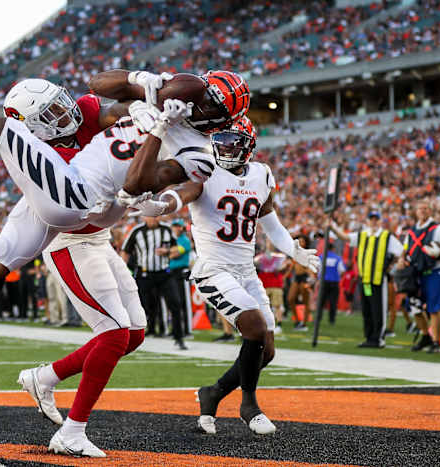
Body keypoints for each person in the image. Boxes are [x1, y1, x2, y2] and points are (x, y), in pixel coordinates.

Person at [0, 52, 247, 457]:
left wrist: (157, 127)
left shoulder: (196, 150)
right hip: (63, 204)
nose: (199, 105)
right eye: (204, 96)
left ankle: (45, 378)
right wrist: (148, 84)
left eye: (210, 106)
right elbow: (103, 89)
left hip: (81, 205)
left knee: (131, 334)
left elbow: (140, 181)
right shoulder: (157, 103)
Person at [120, 115, 319, 436]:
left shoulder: (261, 175)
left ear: (249, 146)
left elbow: (269, 220)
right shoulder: (207, 170)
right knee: (253, 326)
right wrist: (160, 206)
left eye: (233, 142)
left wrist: (293, 250)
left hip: (246, 271)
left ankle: (212, 393)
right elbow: (183, 194)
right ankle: (249, 406)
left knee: (266, 350)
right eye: (221, 141)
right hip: (213, 269)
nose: (225, 147)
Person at [331, 211, 403, 348]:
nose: (374, 222)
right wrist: (333, 227)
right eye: (372, 219)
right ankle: (369, 337)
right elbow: (346, 238)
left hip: (378, 280)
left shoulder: (386, 236)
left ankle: (379, 339)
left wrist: (392, 266)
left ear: (380, 221)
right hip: (365, 280)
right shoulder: (362, 235)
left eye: (376, 219)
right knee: (367, 308)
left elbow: (401, 252)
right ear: (368, 221)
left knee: (378, 309)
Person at [121, 216, 187, 349]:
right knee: (143, 306)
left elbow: (177, 249)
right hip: (144, 275)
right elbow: (125, 251)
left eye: (156, 216)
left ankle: (179, 337)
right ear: (145, 217)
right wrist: (122, 271)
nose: (154, 219)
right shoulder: (137, 230)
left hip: (164, 273)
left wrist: (167, 251)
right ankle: (134, 337)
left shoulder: (167, 229)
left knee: (175, 303)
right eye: (151, 216)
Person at [402, 200, 440, 353]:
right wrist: (401, 261)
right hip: (416, 272)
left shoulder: (438, 229)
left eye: (426, 208)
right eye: (420, 208)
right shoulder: (411, 231)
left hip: (434, 271)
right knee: (414, 306)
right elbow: (406, 250)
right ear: (416, 211)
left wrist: (439, 253)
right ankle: (425, 336)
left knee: (434, 307)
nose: (423, 211)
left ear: (430, 211)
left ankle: (436, 342)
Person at [254, 244, 287, 333]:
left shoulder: (280, 256)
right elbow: (256, 265)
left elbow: (285, 265)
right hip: (263, 283)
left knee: (277, 305)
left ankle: (279, 325)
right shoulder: (260, 255)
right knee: (261, 306)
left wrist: (277, 267)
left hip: (276, 283)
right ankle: (262, 324)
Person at [286, 235, 315, 331]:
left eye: (302, 241)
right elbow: (292, 267)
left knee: (305, 301)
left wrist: (311, 278)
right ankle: (297, 321)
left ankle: (304, 324)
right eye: (299, 241)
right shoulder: (295, 253)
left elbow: (311, 268)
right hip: (297, 277)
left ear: (306, 243)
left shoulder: (307, 254)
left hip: (304, 278)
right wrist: (285, 276)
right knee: (290, 299)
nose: (301, 243)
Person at [169, 218, 192, 335]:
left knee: (184, 302)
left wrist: (167, 251)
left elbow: (174, 254)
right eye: (174, 226)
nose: (176, 228)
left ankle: (187, 330)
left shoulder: (184, 240)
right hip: (171, 272)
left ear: (182, 228)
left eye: (178, 226)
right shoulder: (172, 239)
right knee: (174, 302)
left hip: (181, 272)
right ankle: (176, 329)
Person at [317, 241, 346, 325]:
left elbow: (319, 270)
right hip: (334, 282)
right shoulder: (337, 258)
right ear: (333, 249)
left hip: (324, 282)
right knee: (333, 302)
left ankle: (318, 318)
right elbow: (342, 270)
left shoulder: (322, 257)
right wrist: (338, 276)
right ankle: (332, 320)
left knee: (321, 302)